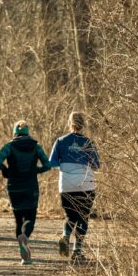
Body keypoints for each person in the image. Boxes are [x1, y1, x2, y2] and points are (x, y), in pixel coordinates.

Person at [0, 120, 51, 264]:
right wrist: (34, 170)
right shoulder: (36, 147)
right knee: (30, 217)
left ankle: (23, 256)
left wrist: (7, 171)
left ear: (15, 133)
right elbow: (47, 165)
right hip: (31, 187)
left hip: (14, 186)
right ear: (27, 132)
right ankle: (25, 237)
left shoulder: (9, 147)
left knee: (18, 219)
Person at [49, 111, 100, 262]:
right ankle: (77, 251)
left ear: (69, 123)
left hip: (66, 185)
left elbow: (52, 163)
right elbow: (96, 165)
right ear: (83, 124)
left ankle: (65, 237)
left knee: (70, 216)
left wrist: (65, 168)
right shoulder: (88, 142)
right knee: (83, 217)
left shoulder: (60, 141)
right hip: (85, 184)